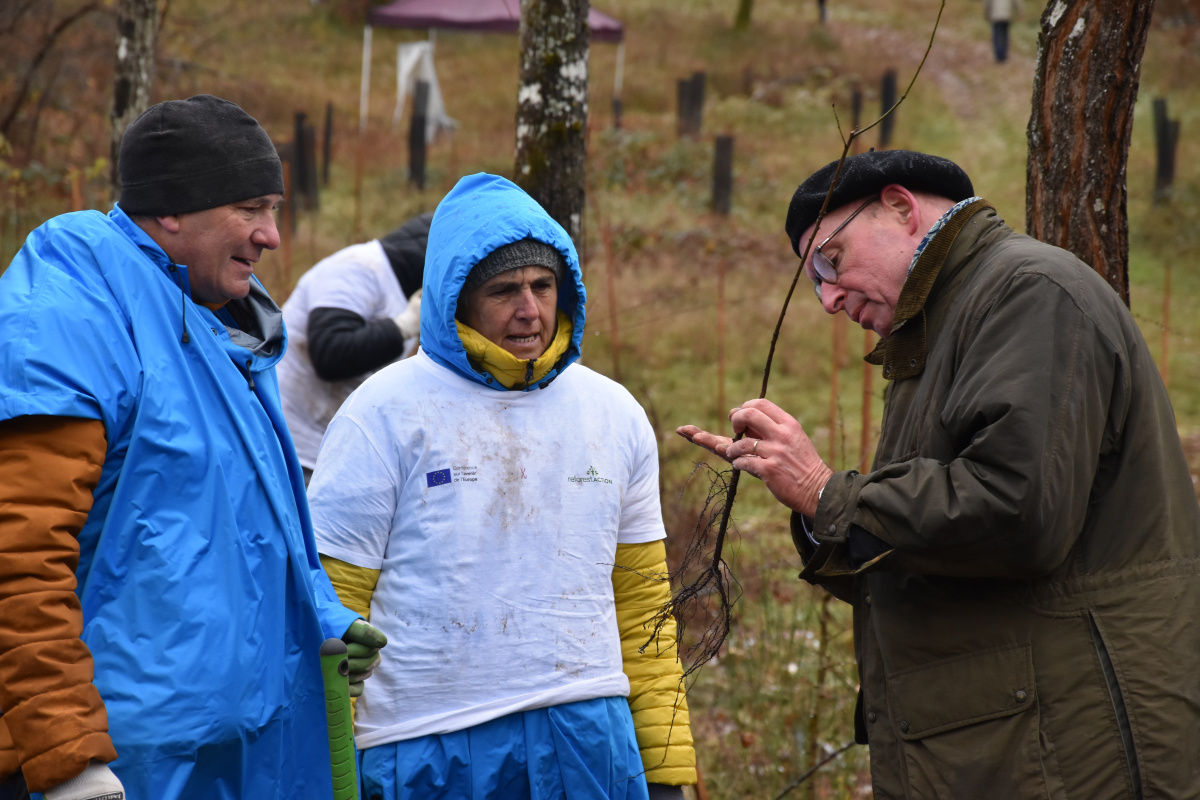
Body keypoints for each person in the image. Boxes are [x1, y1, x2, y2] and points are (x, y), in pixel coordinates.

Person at [678, 150, 1200, 798]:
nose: (829, 299)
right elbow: (931, 555)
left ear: (899, 208)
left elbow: (1019, 513)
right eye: (815, 281)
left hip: (1069, 748)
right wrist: (820, 514)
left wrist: (827, 492)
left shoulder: (1027, 295)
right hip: (1005, 742)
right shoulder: (940, 330)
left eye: (830, 262)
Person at [0, 95, 385, 800]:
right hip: (125, 765)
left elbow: (221, 523)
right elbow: (19, 556)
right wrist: (68, 756)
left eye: (275, 208)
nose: (272, 236)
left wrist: (321, 619)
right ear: (172, 210)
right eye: (251, 209)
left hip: (237, 754)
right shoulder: (73, 316)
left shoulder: (221, 324)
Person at [309, 173, 697, 800]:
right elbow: (331, 608)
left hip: (588, 740)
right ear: (454, 299)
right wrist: (329, 774)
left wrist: (667, 772)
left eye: (544, 287)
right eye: (504, 290)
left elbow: (644, 606)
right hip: (426, 749)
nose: (530, 310)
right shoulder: (381, 412)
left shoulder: (613, 411)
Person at [278, 213, 431, 482]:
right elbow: (330, 353)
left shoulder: (402, 289)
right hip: (291, 447)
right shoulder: (359, 269)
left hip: (331, 452)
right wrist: (402, 327)